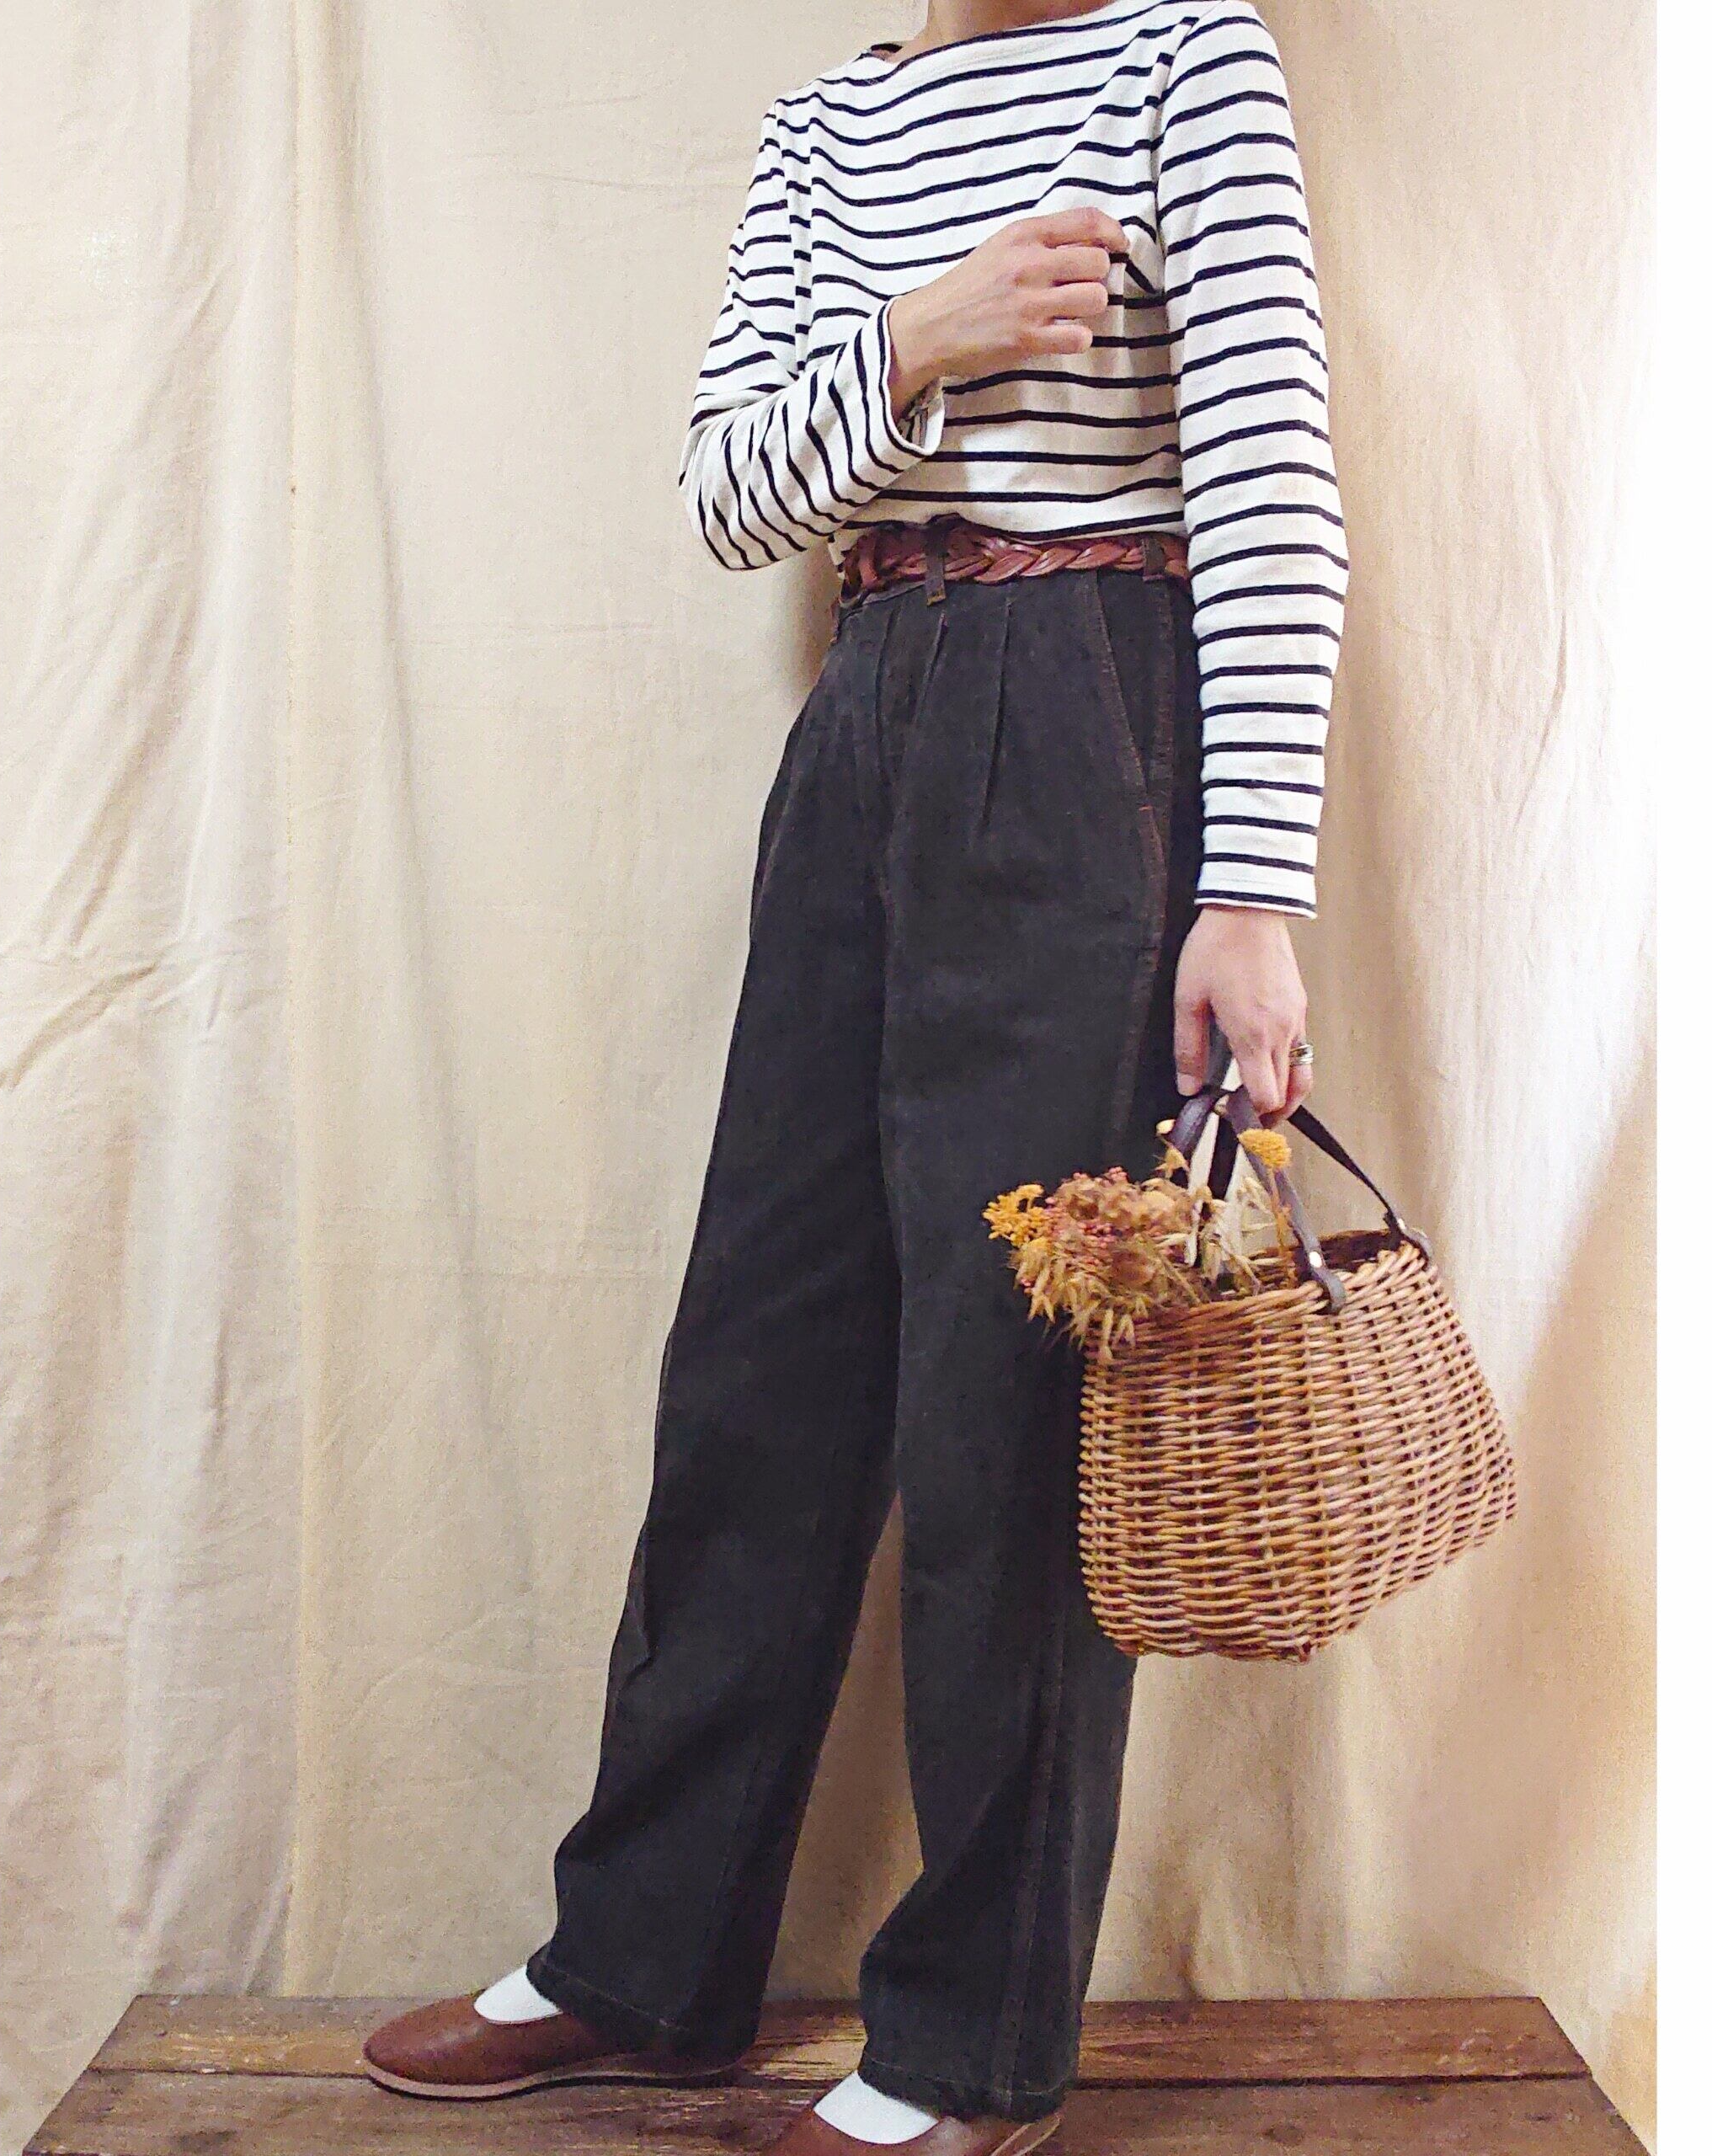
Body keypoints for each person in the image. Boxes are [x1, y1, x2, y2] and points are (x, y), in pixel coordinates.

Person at [363, 2, 1339, 2148]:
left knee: (1011, 1398)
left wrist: (1249, 890)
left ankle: (967, 2044)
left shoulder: (1188, 58)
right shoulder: (827, 128)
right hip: (866, 702)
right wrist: (918, 334)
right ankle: (643, 1957)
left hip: (1084, 716)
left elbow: (1272, 491)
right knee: (759, 1360)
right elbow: (730, 492)